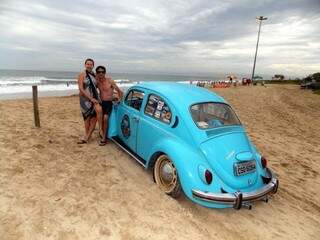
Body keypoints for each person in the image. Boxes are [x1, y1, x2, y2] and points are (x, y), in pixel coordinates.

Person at [77, 58, 103, 144]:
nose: (89, 65)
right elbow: (81, 88)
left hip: (95, 99)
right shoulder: (82, 74)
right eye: (87, 64)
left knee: (94, 117)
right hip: (85, 99)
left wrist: (112, 93)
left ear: (93, 65)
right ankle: (87, 135)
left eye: (91, 64)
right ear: (85, 65)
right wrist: (90, 98)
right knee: (87, 118)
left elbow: (99, 87)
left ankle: (88, 136)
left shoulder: (95, 75)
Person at [95, 65, 123, 146]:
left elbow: (119, 91)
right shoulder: (97, 82)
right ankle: (101, 132)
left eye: (102, 72)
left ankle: (104, 138)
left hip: (108, 103)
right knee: (97, 118)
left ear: (105, 73)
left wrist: (119, 101)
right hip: (101, 103)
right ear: (97, 73)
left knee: (105, 118)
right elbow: (92, 89)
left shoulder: (110, 81)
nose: (101, 73)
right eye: (99, 72)